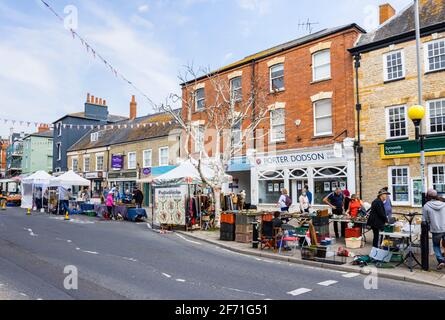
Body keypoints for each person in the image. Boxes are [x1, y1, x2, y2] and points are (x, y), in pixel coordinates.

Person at [422, 189, 445, 270]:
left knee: (436, 245)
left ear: (428, 197)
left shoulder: (426, 206)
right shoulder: (443, 204)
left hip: (436, 229)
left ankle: (441, 260)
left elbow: (425, 220)